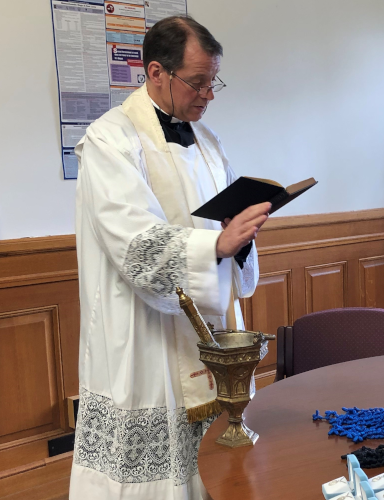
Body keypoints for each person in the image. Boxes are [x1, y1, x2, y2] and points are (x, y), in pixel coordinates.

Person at [70, 16, 270, 499]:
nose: (209, 94)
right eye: (198, 82)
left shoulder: (208, 142)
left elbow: (227, 227)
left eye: (212, 81)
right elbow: (133, 241)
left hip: (209, 320)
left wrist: (238, 237)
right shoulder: (110, 141)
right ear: (156, 72)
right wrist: (214, 247)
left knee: (220, 466)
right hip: (144, 330)